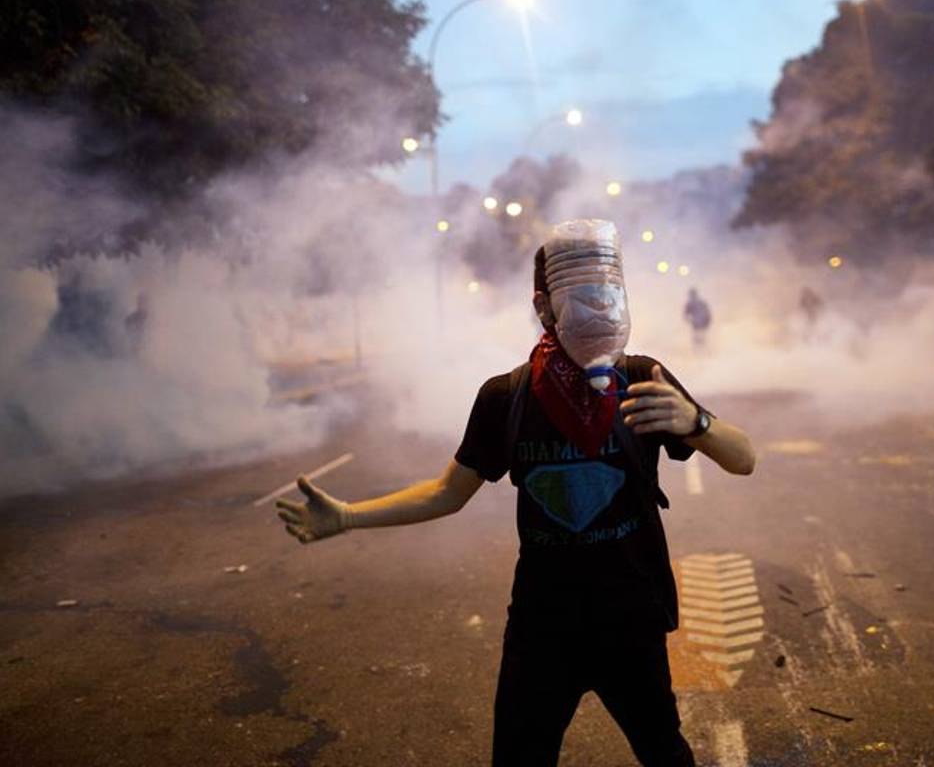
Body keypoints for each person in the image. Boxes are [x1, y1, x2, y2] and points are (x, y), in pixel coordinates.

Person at [275, 219, 756, 766]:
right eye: (582, 299)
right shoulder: (507, 397)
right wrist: (347, 516)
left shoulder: (645, 380)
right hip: (544, 626)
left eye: (608, 296)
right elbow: (445, 493)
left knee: (664, 753)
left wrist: (697, 422)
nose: (598, 312)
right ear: (544, 306)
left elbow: (744, 460)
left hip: (630, 619)